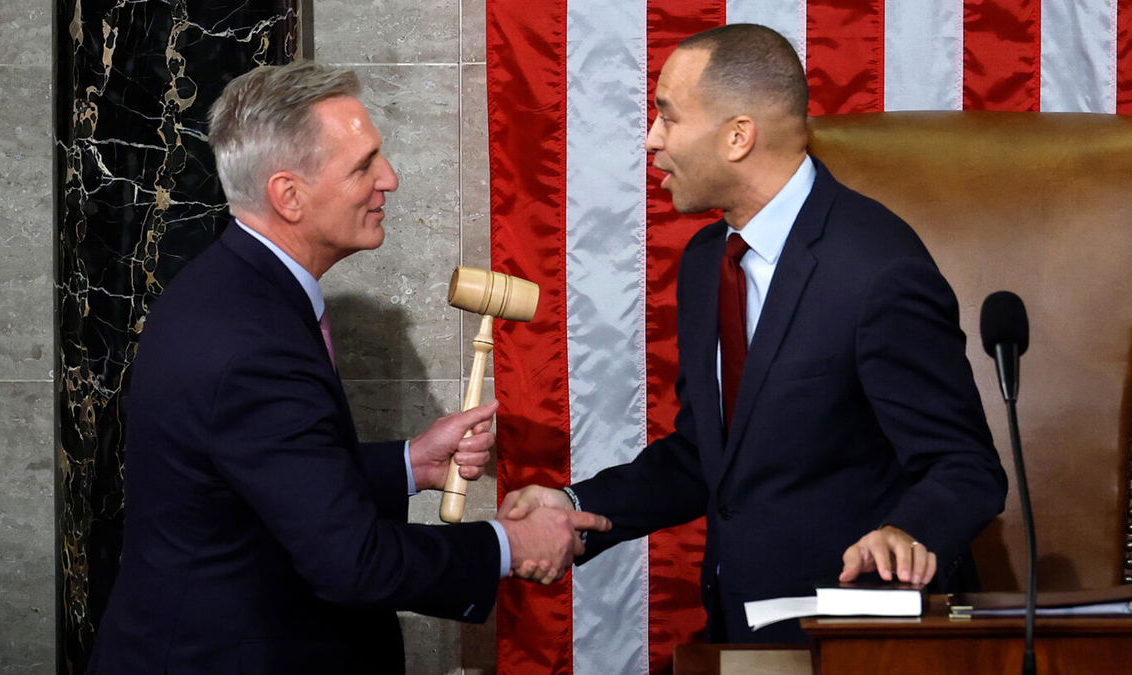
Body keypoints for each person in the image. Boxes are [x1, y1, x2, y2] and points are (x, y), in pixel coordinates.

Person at [88, 60, 610, 674]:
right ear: (289, 195)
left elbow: (266, 474)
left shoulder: (231, 290)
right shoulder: (252, 341)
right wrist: (511, 542)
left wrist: (408, 464)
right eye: (363, 165)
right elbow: (353, 563)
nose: (388, 178)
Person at [500, 24, 1008, 644]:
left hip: (853, 638)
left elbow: (966, 468)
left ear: (738, 136)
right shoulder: (705, 261)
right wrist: (573, 506)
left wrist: (908, 531)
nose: (651, 140)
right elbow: (708, 457)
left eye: (668, 117)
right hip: (740, 631)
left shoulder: (878, 270)